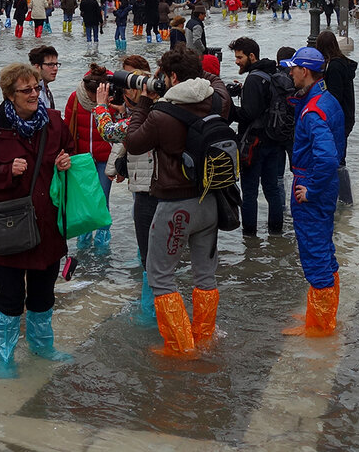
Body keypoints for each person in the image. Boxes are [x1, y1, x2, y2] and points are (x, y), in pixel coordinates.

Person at [0, 62, 74, 378]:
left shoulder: (53, 122)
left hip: (48, 226)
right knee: (9, 297)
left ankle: (43, 348)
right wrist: (4, 171)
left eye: (36, 88)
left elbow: (70, 149)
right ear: (9, 94)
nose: (34, 94)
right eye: (26, 90)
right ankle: (4, 358)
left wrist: (66, 160)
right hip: (7, 226)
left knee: (43, 295)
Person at [124, 45, 233, 357]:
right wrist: (194, 70)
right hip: (210, 202)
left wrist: (145, 98)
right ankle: (205, 338)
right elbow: (216, 80)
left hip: (175, 207)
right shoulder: (218, 99)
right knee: (205, 275)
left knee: (160, 277)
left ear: (170, 76)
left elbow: (132, 142)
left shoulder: (161, 114)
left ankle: (181, 348)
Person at [279, 47, 343, 337]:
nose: (289, 73)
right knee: (324, 250)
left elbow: (327, 157)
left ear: (305, 71)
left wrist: (312, 189)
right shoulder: (326, 100)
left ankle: (319, 327)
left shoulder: (313, 109)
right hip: (325, 185)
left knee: (314, 253)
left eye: (292, 68)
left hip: (312, 184)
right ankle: (322, 311)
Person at [99, 55, 156, 323]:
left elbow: (110, 132)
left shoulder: (145, 115)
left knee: (149, 258)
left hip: (147, 191)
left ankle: (149, 314)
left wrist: (101, 107)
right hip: (168, 189)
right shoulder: (166, 108)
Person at [228, 36, 285, 238]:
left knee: (250, 194)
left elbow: (248, 114)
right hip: (274, 141)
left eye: (239, 57)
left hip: (254, 145)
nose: (236, 61)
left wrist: (229, 108)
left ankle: (249, 238)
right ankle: (276, 233)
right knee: (272, 190)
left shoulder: (253, 78)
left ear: (252, 56)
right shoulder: (271, 71)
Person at [64, 63, 115, 249]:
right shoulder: (75, 98)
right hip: (82, 160)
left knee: (101, 201)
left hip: (105, 159)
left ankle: (103, 244)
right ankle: (83, 243)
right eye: (91, 95)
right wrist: (69, 155)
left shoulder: (112, 98)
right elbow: (67, 128)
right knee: (84, 202)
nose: (94, 99)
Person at [316, 30, 357, 205]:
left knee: (337, 159)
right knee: (339, 157)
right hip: (347, 116)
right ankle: (343, 199)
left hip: (339, 119)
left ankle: (344, 199)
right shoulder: (342, 63)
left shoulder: (334, 67)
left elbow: (334, 97)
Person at [29, 44, 60, 111]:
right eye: (50, 64)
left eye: (56, 64)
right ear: (37, 67)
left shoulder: (45, 89)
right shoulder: (33, 94)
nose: (55, 68)